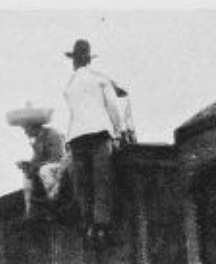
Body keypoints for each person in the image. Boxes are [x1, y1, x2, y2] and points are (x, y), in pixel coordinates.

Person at [63, 39, 128, 244]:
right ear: (88, 59)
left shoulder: (69, 85)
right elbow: (113, 108)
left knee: (83, 183)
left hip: (76, 137)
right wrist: (119, 132)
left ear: (75, 61)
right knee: (102, 179)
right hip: (99, 133)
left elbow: (74, 114)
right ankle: (102, 226)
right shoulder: (100, 79)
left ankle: (87, 223)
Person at [7, 103, 68, 219]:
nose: (25, 131)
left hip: (61, 166)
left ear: (33, 126)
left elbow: (56, 157)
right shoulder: (38, 141)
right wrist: (27, 165)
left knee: (45, 170)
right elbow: (36, 160)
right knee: (27, 176)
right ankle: (30, 211)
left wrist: (35, 166)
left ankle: (55, 202)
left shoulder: (52, 134)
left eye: (26, 128)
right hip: (47, 168)